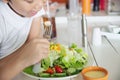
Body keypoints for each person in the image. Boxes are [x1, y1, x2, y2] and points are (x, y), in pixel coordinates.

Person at [0, 0, 50, 80]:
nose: (40, 5)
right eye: (30, 1)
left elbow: (32, 43)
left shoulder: (35, 8)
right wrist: (23, 59)